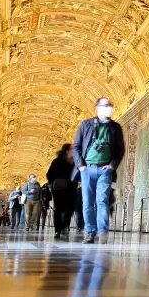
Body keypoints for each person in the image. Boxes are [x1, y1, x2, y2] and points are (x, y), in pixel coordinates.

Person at [72, 97, 125, 244]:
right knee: (87, 202)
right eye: (104, 105)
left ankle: (103, 232)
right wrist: (81, 166)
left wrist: (112, 165)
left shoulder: (115, 127)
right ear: (97, 108)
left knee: (102, 200)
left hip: (105, 170)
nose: (108, 107)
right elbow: (76, 146)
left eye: (109, 105)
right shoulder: (86, 124)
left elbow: (120, 150)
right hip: (87, 169)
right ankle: (90, 232)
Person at [47, 143, 75, 241]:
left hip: (70, 188)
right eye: (71, 149)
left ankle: (63, 227)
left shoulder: (74, 161)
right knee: (58, 209)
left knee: (70, 208)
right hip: (59, 188)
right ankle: (58, 229)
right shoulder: (57, 161)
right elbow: (49, 174)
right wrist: (51, 184)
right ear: (67, 150)